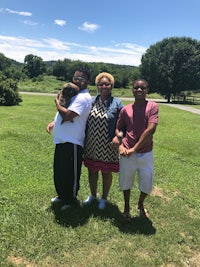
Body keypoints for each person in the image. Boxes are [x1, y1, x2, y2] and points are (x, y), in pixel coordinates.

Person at [47, 68, 92, 211]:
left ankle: (71, 200)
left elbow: (67, 115)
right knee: (59, 171)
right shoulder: (75, 95)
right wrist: (54, 122)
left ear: (88, 81)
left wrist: (57, 103)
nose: (78, 80)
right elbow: (65, 112)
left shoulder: (83, 97)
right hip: (61, 140)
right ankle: (61, 195)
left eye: (82, 78)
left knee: (70, 174)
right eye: (76, 77)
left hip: (73, 142)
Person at [113, 79, 159, 219]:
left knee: (146, 182)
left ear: (147, 90)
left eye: (143, 88)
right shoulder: (125, 110)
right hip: (127, 152)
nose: (139, 90)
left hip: (145, 153)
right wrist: (121, 145)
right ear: (132, 90)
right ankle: (126, 207)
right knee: (126, 181)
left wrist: (135, 148)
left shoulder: (152, 106)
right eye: (136, 88)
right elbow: (119, 128)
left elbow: (151, 129)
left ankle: (140, 204)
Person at [83, 72, 123, 210]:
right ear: (97, 86)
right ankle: (93, 196)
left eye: (107, 84)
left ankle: (104, 199)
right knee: (92, 171)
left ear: (111, 86)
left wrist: (119, 137)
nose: (104, 86)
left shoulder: (117, 103)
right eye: (101, 84)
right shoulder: (91, 101)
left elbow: (124, 124)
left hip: (108, 145)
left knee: (106, 173)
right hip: (91, 144)